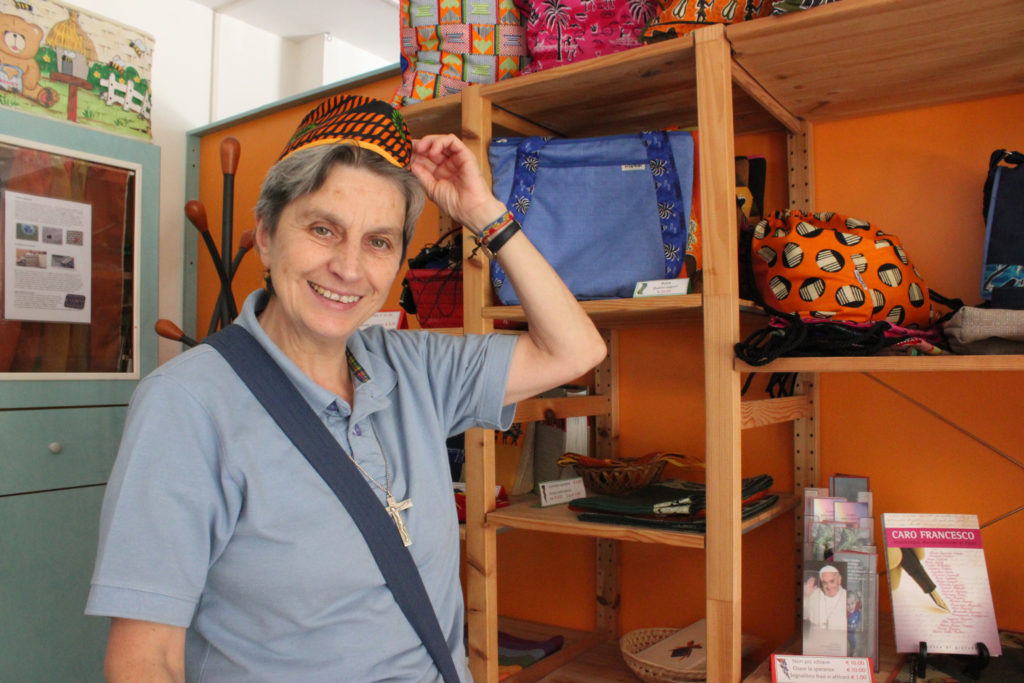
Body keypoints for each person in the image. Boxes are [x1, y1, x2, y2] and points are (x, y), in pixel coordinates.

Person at [85, 95, 606, 682]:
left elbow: (577, 349)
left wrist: (484, 211)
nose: (350, 268)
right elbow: (143, 661)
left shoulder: (411, 366)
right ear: (265, 236)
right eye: (323, 229)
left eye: (379, 242)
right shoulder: (187, 403)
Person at [803, 564, 848, 630]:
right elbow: (803, 614)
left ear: (839, 580)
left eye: (832, 581)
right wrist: (805, 595)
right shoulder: (815, 594)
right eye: (825, 583)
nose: (829, 587)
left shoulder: (846, 596)